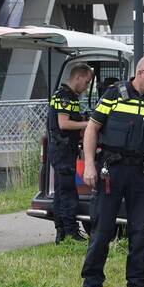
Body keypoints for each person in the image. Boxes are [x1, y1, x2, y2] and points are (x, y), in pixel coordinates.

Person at [76, 55, 144, 287]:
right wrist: (89, 164)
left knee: (140, 233)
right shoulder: (113, 94)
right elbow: (92, 129)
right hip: (112, 171)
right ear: (140, 74)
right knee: (101, 232)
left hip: (141, 174)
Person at [47, 62, 93, 244]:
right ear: (78, 77)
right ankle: (71, 231)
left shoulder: (67, 96)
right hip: (63, 150)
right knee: (67, 192)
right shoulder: (65, 96)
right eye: (87, 82)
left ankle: (61, 232)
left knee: (60, 191)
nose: (87, 86)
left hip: (62, 149)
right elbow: (64, 124)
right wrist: (88, 124)